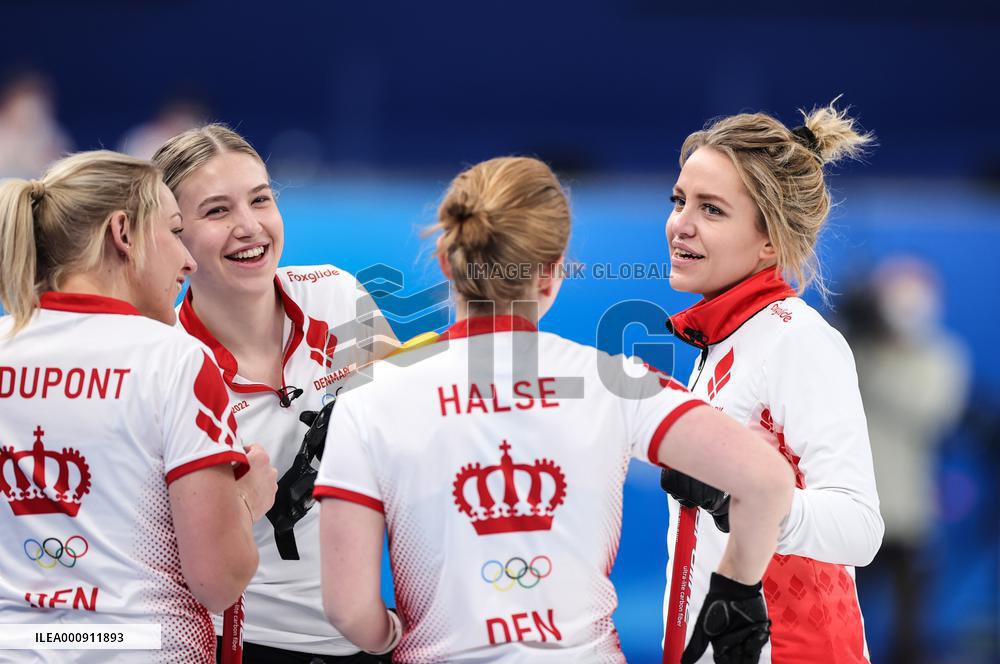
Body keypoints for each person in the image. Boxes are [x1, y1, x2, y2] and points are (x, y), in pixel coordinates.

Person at [314, 156, 796, 662]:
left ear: (445, 260)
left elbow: (347, 609)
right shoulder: (616, 382)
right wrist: (735, 591)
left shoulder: (370, 398)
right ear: (551, 275)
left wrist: (393, 636)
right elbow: (767, 482)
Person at [0, 151, 276, 663]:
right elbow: (216, 581)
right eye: (175, 232)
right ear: (123, 234)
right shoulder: (174, 359)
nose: (188, 261)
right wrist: (248, 503)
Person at [153, 124, 397, 663]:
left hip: (363, 634)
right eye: (217, 211)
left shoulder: (335, 293)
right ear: (175, 236)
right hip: (237, 644)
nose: (249, 226)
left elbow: (416, 440)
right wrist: (240, 505)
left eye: (260, 199)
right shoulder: (162, 359)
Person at [658, 102, 884, 663]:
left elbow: (860, 527)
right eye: (679, 200)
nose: (680, 224)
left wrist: (740, 501)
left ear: (771, 243)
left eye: (711, 210)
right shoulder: (723, 339)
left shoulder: (797, 341)